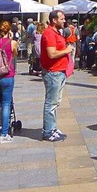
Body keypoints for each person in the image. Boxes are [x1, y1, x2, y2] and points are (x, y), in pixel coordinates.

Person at [40, 10, 73, 142]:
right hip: (53, 72)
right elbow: (51, 54)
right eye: (62, 19)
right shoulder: (49, 34)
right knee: (51, 103)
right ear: (54, 20)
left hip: (59, 72)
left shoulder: (56, 33)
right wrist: (67, 50)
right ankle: (48, 131)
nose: (64, 21)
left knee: (55, 102)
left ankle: (52, 127)